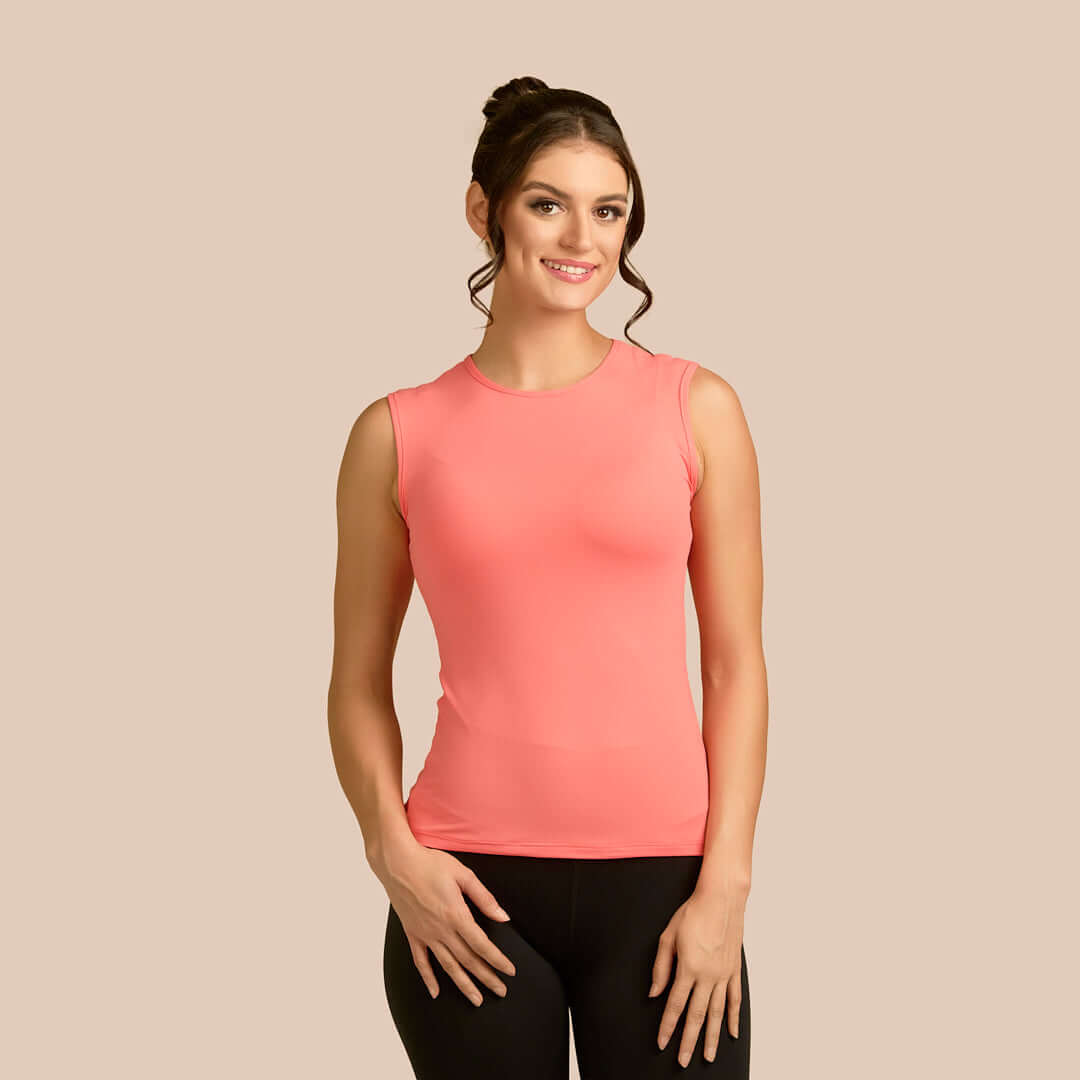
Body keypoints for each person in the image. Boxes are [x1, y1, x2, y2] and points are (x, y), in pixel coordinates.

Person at [328, 76, 767, 1078]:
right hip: (465, 895)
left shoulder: (697, 408)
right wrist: (392, 854)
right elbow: (356, 679)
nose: (582, 238)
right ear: (482, 210)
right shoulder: (396, 433)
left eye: (608, 210)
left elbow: (736, 667)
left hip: (667, 892)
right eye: (547, 203)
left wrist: (726, 887)